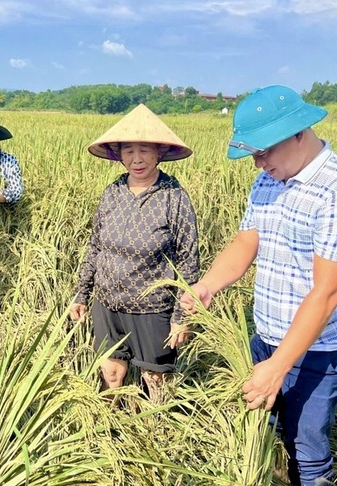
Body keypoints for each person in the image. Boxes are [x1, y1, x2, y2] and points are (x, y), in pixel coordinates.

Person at [180, 85, 337, 485]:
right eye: (252, 153)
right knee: (265, 432)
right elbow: (246, 240)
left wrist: (278, 367)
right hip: (267, 335)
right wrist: (208, 285)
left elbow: (327, 293)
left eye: (263, 151)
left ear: (298, 133)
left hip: (319, 351)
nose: (257, 163)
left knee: (306, 445)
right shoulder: (270, 181)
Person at [69, 103, 200, 399]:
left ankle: (154, 434)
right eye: (128, 150)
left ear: (159, 153)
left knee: (156, 379)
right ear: (119, 154)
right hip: (107, 303)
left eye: (144, 150)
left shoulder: (174, 198)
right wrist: (81, 294)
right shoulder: (112, 192)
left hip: (153, 307)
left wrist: (182, 314)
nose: (136, 159)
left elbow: (188, 262)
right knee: (111, 372)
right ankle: (110, 430)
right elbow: (96, 246)